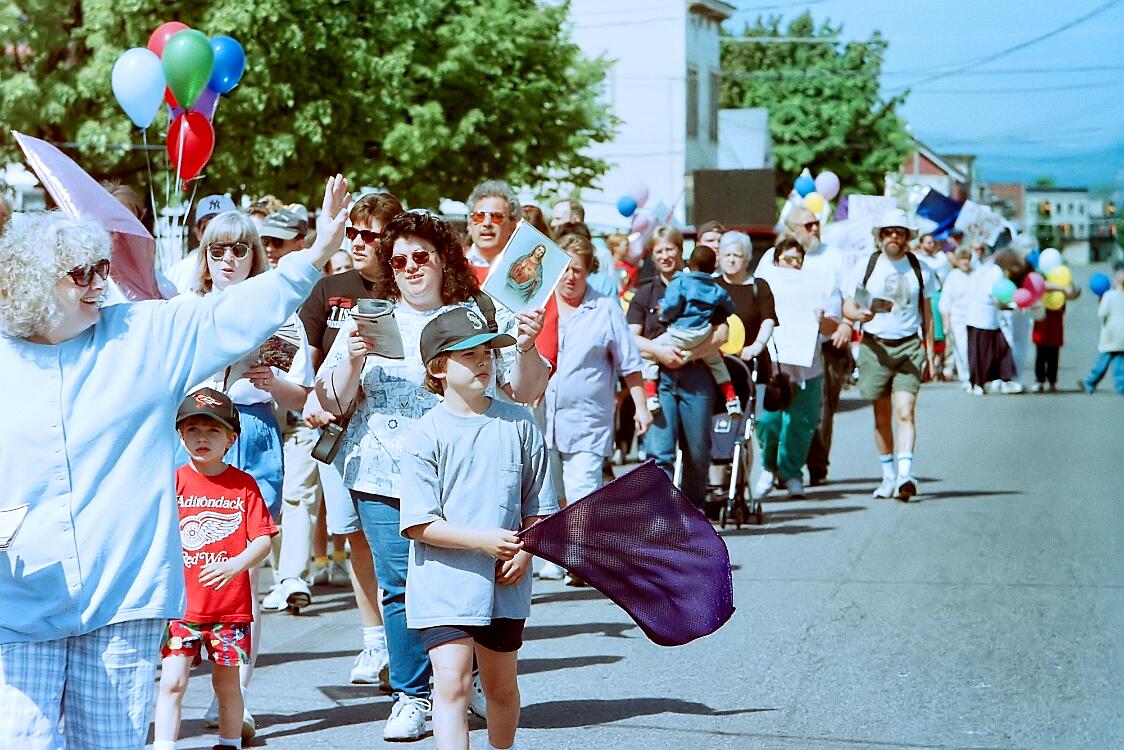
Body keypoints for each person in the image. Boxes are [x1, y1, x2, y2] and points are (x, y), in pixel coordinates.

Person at [0, 175, 349, 750]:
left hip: (121, 599)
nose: (98, 285)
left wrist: (312, 257)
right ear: (32, 285)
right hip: (19, 603)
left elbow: (229, 315)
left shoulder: (143, 336)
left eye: (102, 269)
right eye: (80, 273)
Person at [316, 210, 548, 741]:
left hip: (471, 475)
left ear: (444, 259)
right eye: (398, 260)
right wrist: (351, 360)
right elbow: (326, 401)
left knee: (475, 577)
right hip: (382, 471)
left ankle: (474, 683)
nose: (410, 267)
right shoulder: (367, 318)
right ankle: (413, 695)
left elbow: (526, 389)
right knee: (400, 587)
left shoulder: (478, 314)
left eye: (422, 256)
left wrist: (530, 345)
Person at [400, 307, 559, 750]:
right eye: (468, 354)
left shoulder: (519, 423)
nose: (483, 361)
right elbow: (418, 523)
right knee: (450, 686)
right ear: (438, 368)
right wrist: (484, 542)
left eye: (487, 351)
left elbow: (539, 507)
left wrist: (526, 550)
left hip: (504, 585)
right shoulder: (423, 435)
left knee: (500, 690)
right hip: (444, 585)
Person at [184, 210, 316, 736]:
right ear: (205, 257)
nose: (229, 259)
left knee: (245, 571)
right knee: (192, 567)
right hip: (193, 436)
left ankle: (236, 694)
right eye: (219, 250)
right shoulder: (187, 309)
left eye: (240, 249)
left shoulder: (277, 309)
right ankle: (179, 686)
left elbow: (299, 394)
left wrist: (269, 377)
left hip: (253, 433)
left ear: (255, 255)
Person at [296, 192, 405, 686]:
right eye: (352, 233)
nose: (358, 242)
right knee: (355, 535)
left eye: (370, 234)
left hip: (395, 433)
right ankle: (373, 638)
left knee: (398, 538)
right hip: (338, 430)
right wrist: (317, 399)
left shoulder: (410, 286)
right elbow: (306, 359)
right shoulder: (330, 289)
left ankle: (408, 643)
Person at [153, 389, 278, 750]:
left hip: (229, 611)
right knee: (172, 681)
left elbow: (263, 540)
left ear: (231, 439)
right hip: (182, 607)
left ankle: (228, 742)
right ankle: (164, 744)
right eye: (192, 430)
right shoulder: (171, 481)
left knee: (227, 685)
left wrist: (236, 565)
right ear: (180, 435)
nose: (202, 438)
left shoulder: (244, 485)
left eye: (213, 430)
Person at [538, 233, 651, 583]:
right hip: (541, 414)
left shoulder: (604, 308)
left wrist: (641, 407)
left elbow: (629, 363)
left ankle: (577, 557)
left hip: (587, 416)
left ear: (589, 272)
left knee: (582, 485)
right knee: (548, 489)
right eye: (566, 270)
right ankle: (555, 552)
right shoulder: (540, 306)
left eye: (579, 270)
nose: (571, 277)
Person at [627, 225, 728, 509]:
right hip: (658, 380)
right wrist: (660, 351)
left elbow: (723, 334)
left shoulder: (706, 285)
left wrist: (691, 354)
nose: (665, 255)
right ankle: (662, 516)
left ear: (680, 251)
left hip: (696, 374)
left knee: (698, 452)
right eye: (659, 251)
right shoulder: (645, 293)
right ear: (652, 255)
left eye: (670, 249)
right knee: (660, 452)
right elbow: (629, 337)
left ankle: (693, 512)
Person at [843, 208, 935, 502]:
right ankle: (888, 477)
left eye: (899, 232)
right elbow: (848, 305)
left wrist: (931, 354)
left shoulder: (921, 269)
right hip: (875, 346)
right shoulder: (866, 266)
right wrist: (861, 314)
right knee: (881, 416)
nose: (893, 236)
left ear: (907, 237)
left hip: (909, 345)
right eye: (888, 231)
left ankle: (906, 474)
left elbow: (927, 314)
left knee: (905, 411)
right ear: (880, 237)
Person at [756, 208, 849, 486]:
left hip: (812, 355)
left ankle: (793, 471)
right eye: (807, 225)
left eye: (817, 224)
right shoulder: (767, 270)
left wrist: (836, 323)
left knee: (805, 418)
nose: (814, 229)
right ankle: (769, 466)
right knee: (769, 419)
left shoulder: (827, 263)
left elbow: (842, 306)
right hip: (774, 358)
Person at [642, 243, 740, 417]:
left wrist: (663, 315)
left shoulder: (680, 282)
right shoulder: (716, 288)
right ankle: (732, 399)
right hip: (703, 333)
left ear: (691, 264)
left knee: (648, 354)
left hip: (680, 333)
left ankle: (650, 396)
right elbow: (731, 307)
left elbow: (671, 306)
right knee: (716, 362)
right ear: (713, 268)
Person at [716, 231, 776, 385]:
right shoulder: (711, 286)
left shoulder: (759, 286)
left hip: (752, 363)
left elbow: (768, 320)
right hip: (716, 366)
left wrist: (757, 346)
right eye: (726, 255)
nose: (731, 260)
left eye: (737, 255)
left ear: (747, 258)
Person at [964, 249, 1025, 395]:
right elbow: (996, 295)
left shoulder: (986, 269)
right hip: (984, 316)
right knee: (984, 351)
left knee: (993, 349)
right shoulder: (997, 273)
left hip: (979, 316)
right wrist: (1011, 305)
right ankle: (979, 382)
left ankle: (999, 379)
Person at [166, 194, 239, 293]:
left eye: (224, 229)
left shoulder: (246, 265)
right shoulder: (177, 273)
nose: (217, 237)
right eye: (209, 230)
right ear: (198, 233)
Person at [1078, 267, 1124, 394]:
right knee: (1120, 364)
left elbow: (1102, 312)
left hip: (1110, 334)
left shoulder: (1109, 295)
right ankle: (1121, 386)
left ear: (1115, 281)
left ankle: (1090, 382)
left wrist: (1100, 300)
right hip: (1122, 336)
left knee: (1102, 362)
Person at [1030, 277, 1080, 393]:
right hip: (1043, 332)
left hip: (1053, 332)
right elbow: (1043, 286)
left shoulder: (1060, 297)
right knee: (1041, 358)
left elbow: (1073, 294)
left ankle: (1051, 382)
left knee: (1052, 359)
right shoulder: (1042, 292)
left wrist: (1065, 289)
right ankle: (1040, 381)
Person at [938, 247, 974, 388]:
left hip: (974, 317)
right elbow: (946, 301)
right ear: (957, 261)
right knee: (962, 347)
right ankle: (966, 376)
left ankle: (975, 374)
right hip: (958, 318)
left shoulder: (975, 274)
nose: (965, 262)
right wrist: (946, 322)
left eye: (967, 259)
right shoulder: (953, 276)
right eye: (962, 259)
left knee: (974, 347)